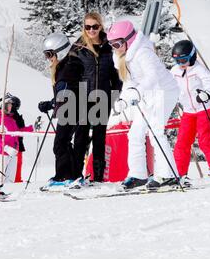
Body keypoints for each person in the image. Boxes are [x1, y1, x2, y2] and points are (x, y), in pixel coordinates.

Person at [108, 20, 180, 190]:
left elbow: (152, 77)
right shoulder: (122, 57)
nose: (115, 48)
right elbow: (128, 83)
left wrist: (137, 92)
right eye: (112, 44)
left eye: (117, 43)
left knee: (155, 131)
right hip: (147, 95)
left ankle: (167, 174)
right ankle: (138, 174)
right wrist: (123, 101)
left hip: (164, 91)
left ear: (128, 40)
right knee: (135, 133)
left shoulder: (143, 52)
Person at [72, 12, 122, 183]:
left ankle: (98, 177)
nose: (91, 30)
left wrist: (116, 93)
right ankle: (76, 176)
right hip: (82, 98)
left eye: (94, 26)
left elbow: (117, 74)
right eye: (88, 27)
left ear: (100, 26)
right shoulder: (78, 47)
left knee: (99, 138)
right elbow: (70, 73)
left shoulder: (109, 45)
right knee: (80, 138)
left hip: (103, 97)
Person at [170, 40, 210, 177]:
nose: (181, 64)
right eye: (177, 61)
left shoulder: (199, 69)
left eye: (183, 60)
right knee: (182, 142)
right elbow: (168, 84)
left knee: (204, 139)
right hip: (188, 110)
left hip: (203, 108)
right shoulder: (175, 71)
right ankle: (179, 172)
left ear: (192, 56)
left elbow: (209, 81)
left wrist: (206, 93)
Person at [38, 32, 84, 190]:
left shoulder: (70, 66)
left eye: (49, 54)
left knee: (60, 143)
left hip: (72, 109)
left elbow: (69, 90)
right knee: (63, 143)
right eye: (46, 55)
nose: (48, 59)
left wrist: (54, 104)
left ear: (60, 51)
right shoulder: (65, 67)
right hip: (72, 108)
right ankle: (73, 175)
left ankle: (66, 176)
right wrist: (51, 103)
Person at [0, 93, 33, 187]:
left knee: (10, 178)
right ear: (1, 105)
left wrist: (32, 128)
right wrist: (6, 147)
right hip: (1, 152)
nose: (11, 106)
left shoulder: (9, 117)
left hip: (13, 152)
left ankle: (7, 193)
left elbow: (16, 131)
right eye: (8, 104)